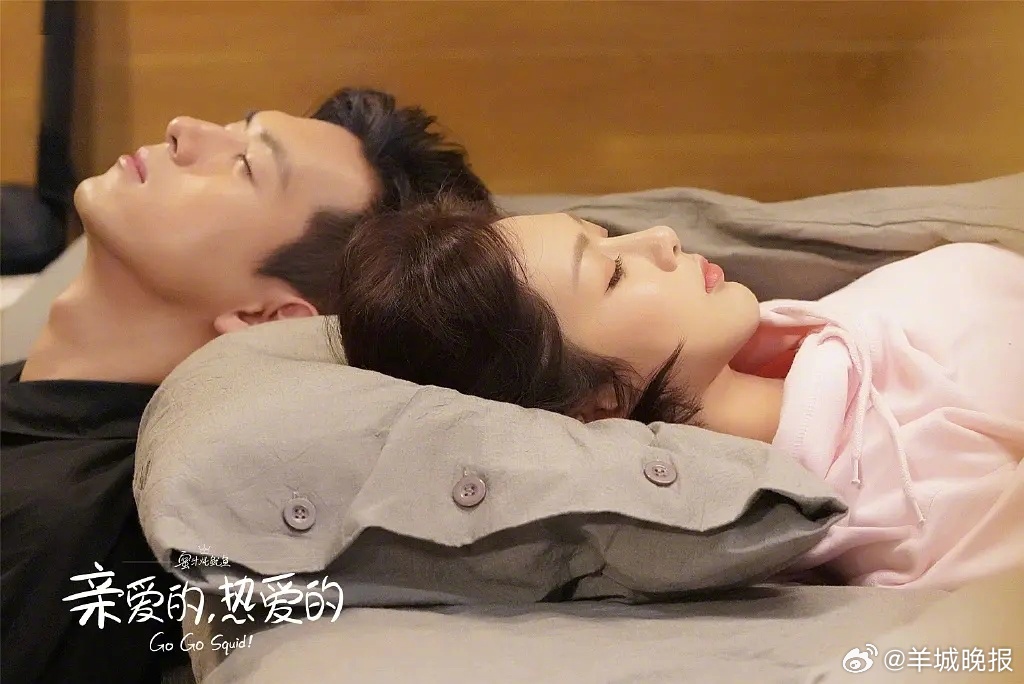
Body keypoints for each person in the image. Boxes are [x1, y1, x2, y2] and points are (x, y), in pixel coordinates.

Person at [1, 88, 490, 684]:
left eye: (246, 165)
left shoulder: (85, 532)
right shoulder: (37, 408)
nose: (182, 126)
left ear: (270, 318)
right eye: (235, 125)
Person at [332, 198, 1024, 592]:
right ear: (593, 405)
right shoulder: (922, 515)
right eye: (612, 274)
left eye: (610, 236)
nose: (661, 239)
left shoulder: (852, 318)